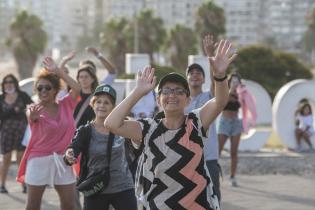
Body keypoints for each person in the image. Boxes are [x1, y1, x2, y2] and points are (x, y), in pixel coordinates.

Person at [104, 39, 236, 210]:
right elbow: (111, 124)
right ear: (158, 100)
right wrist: (138, 91)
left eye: (179, 91)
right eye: (166, 91)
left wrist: (219, 75)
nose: (172, 95)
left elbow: (220, 102)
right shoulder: (148, 128)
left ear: (188, 100)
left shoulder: (196, 122)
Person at [17, 57, 81, 210]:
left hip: (63, 159)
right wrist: (32, 116)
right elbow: (30, 115)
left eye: (47, 87)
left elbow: (77, 88)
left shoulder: (66, 104)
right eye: (39, 88)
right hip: (38, 160)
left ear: (55, 90)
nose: (43, 91)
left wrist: (57, 70)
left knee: (69, 205)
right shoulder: (34, 108)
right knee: (33, 205)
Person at [64, 84, 137, 210]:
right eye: (98, 102)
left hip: (124, 188)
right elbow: (73, 147)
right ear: (92, 104)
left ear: (113, 107)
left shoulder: (123, 127)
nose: (102, 105)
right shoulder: (85, 131)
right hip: (95, 188)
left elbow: (137, 148)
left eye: (107, 103)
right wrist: (69, 154)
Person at [184, 35, 222, 202]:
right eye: (191, 73)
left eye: (199, 73)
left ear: (204, 79)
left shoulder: (209, 96)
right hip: (186, 157)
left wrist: (210, 56)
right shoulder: (181, 101)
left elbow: (217, 83)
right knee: (189, 198)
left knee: (213, 197)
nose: (195, 75)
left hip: (209, 156)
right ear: (187, 79)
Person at [217, 72, 256, 187]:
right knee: (218, 150)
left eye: (237, 81)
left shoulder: (242, 94)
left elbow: (247, 105)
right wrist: (231, 90)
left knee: (234, 152)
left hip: (236, 123)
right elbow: (222, 102)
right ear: (229, 82)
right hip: (224, 122)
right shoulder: (225, 92)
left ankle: (233, 176)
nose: (235, 82)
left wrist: (240, 93)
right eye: (233, 80)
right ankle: (213, 173)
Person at [0, 74, 33, 193]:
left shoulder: (22, 96)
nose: (9, 84)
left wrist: (26, 112)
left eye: (11, 82)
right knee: (6, 158)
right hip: (6, 133)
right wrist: (12, 111)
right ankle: (2, 185)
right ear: (3, 85)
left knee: (21, 158)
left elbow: (33, 106)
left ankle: (24, 184)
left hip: (21, 132)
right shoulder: (1, 98)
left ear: (15, 83)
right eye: (6, 82)